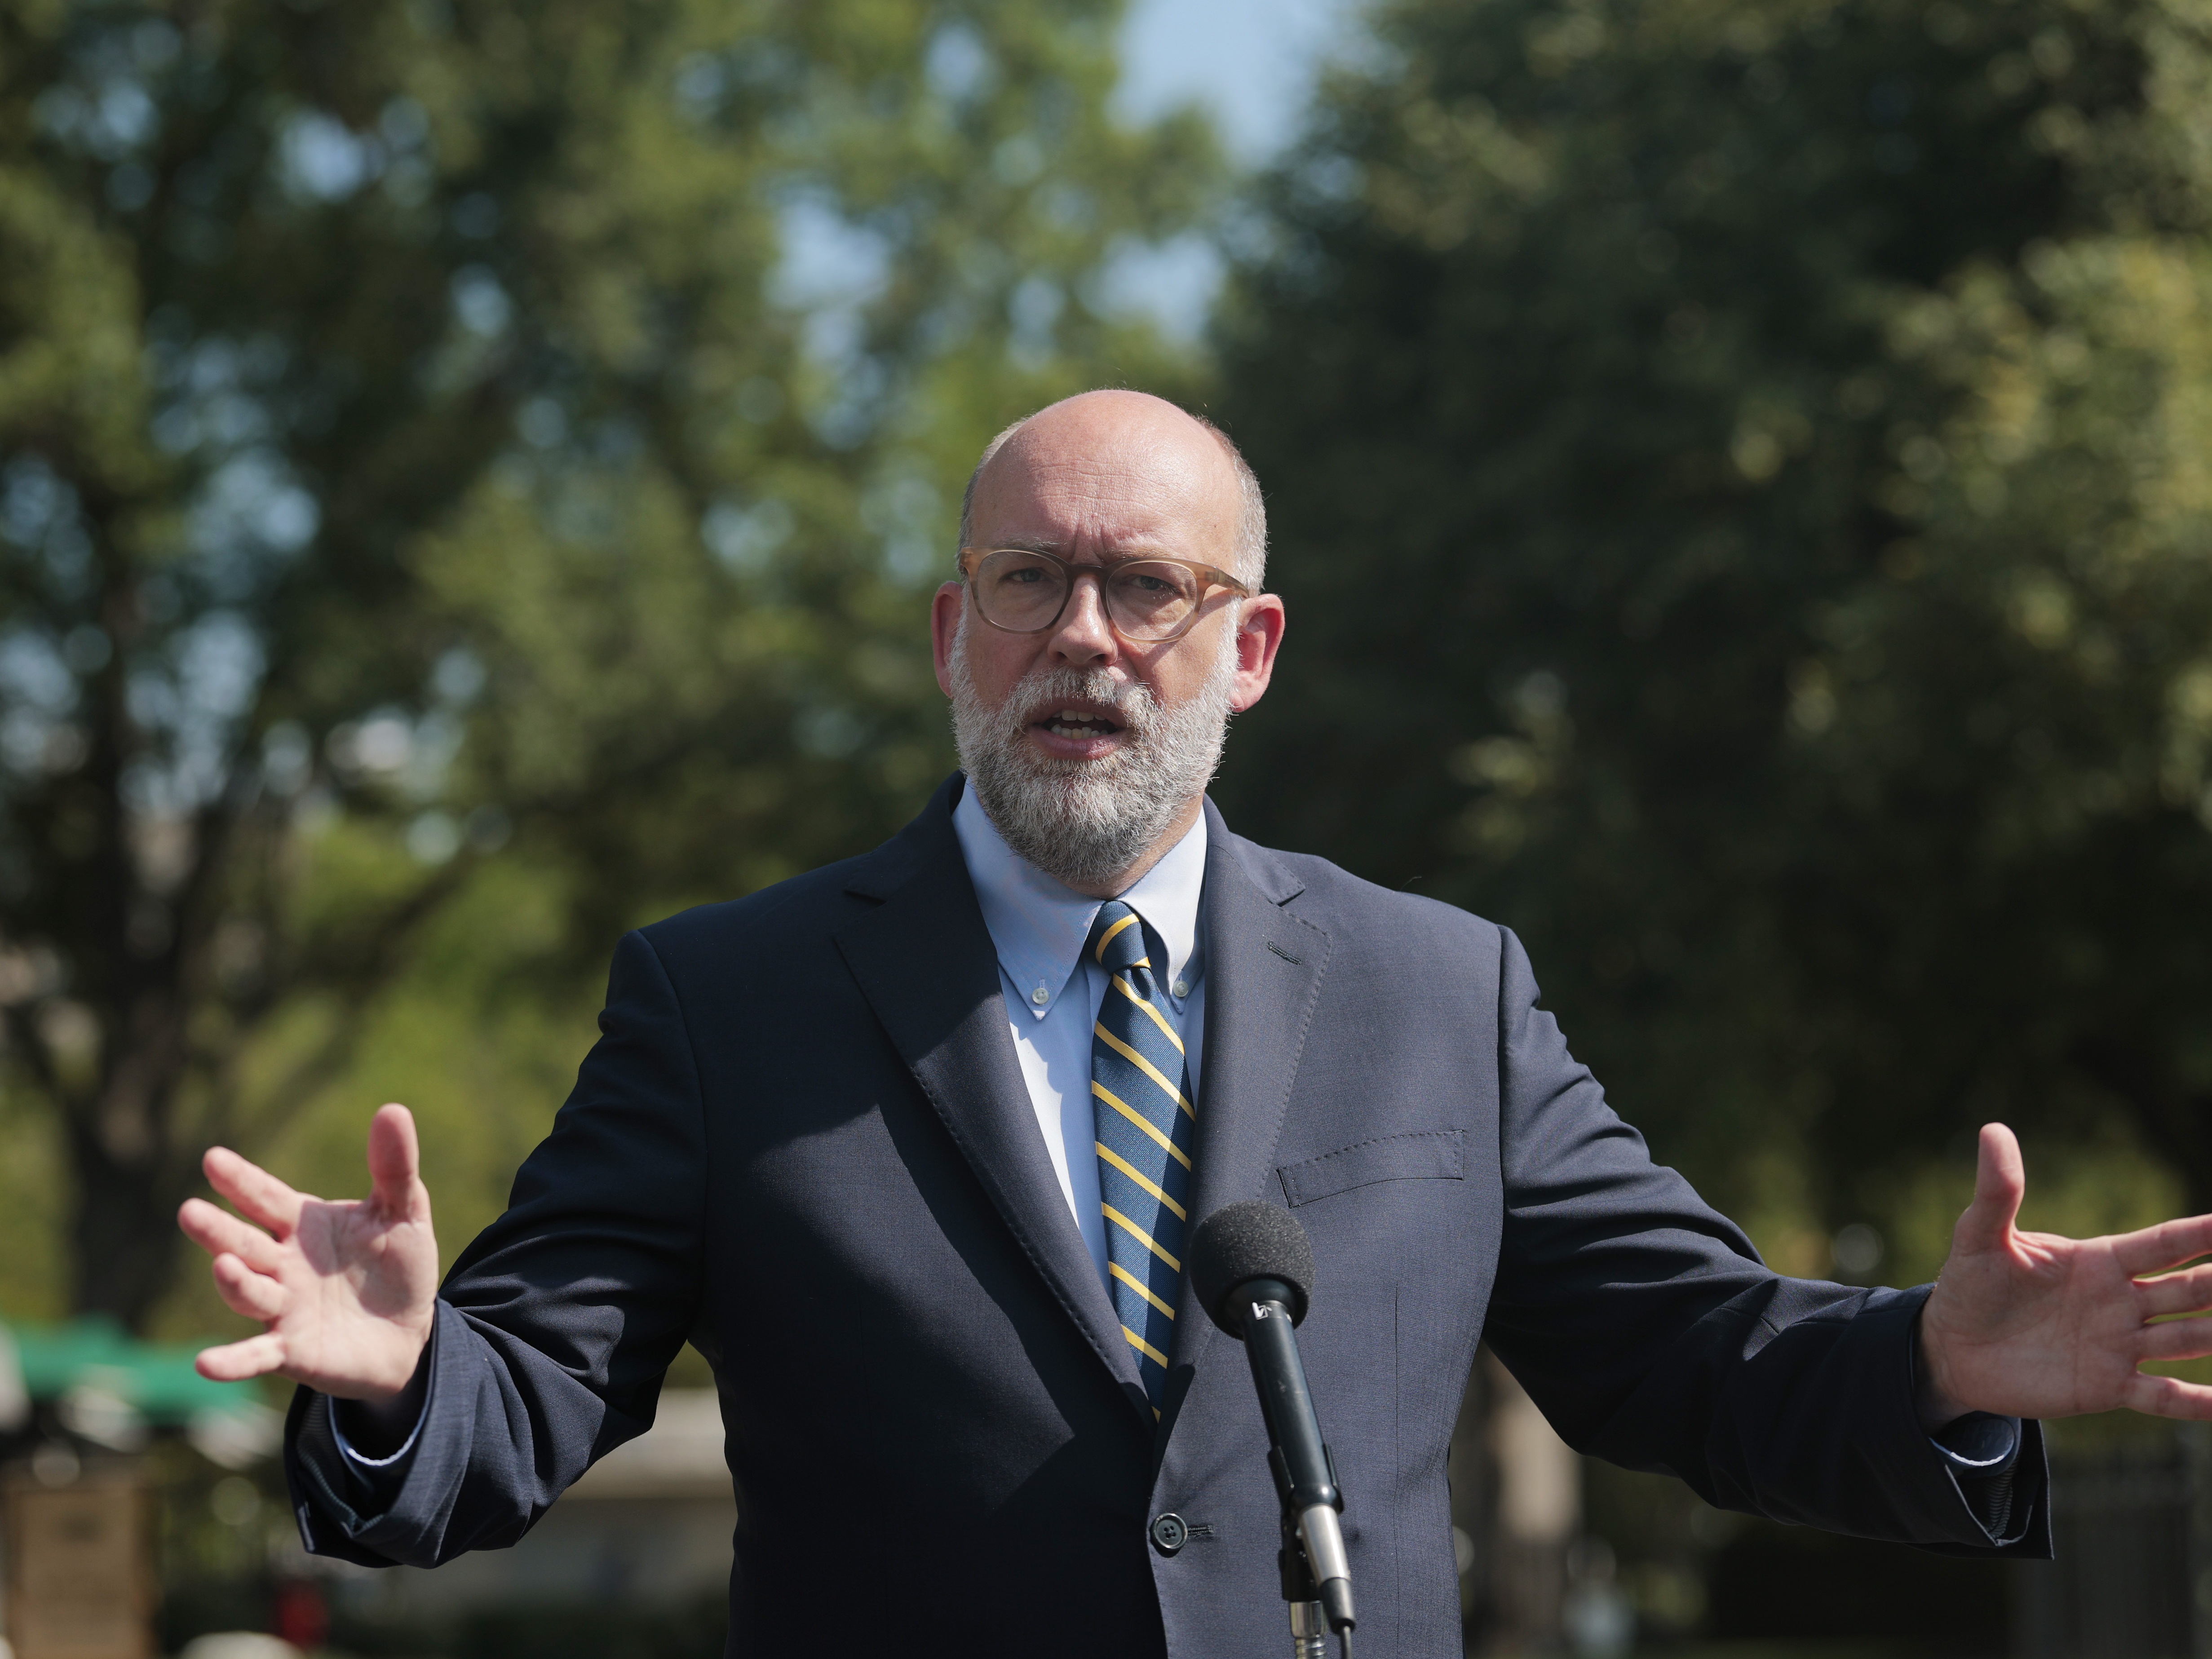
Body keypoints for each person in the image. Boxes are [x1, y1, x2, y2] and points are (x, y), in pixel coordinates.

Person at [180, 391, 2212, 1658]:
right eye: (1026, 579)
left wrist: (1932, 1367)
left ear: (1243, 650)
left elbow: (1678, 1352)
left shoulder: (1443, 991)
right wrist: (396, 1378)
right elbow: (522, 1402)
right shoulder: (732, 1001)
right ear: (948, 635)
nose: (1081, 635)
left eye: (1141, 587)